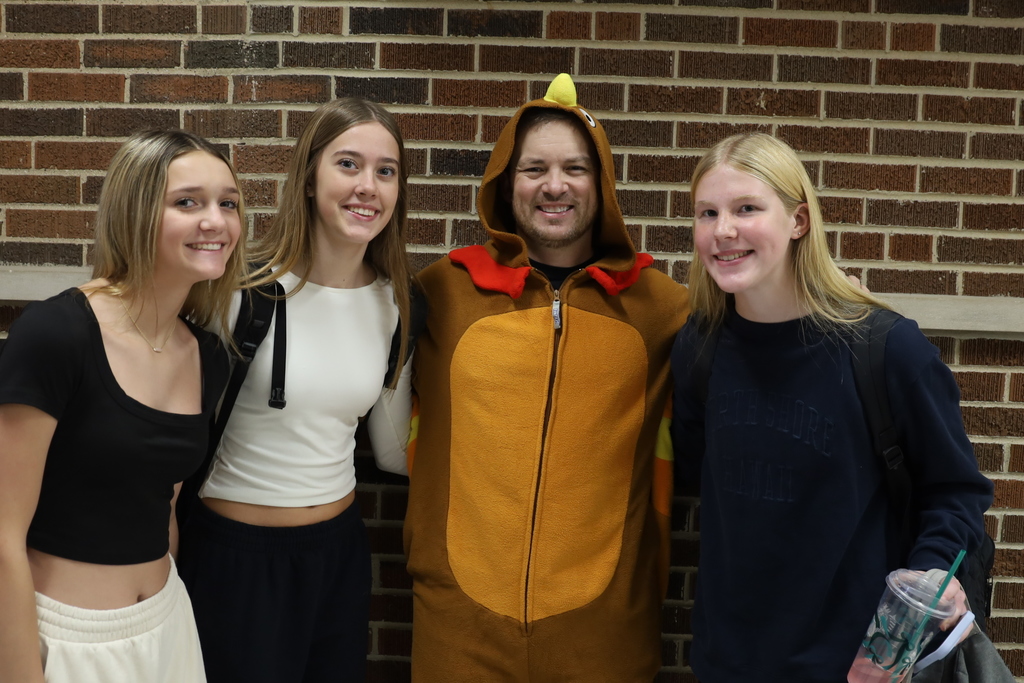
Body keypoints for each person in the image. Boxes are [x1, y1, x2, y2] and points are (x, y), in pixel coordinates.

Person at [670, 132, 994, 682]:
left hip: (855, 666)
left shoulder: (885, 348)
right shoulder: (700, 346)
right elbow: (697, 475)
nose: (722, 230)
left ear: (798, 222)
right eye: (707, 212)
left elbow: (956, 491)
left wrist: (924, 592)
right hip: (729, 664)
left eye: (746, 208)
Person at [400, 73, 690, 681]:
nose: (554, 186)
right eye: (534, 169)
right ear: (506, 184)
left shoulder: (665, 311)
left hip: (606, 636)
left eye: (575, 169)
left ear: (601, 182)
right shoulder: (438, 295)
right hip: (460, 631)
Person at [175, 97, 412, 683]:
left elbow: (391, 450)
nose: (368, 187)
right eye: (349, 165)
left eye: (386, 171)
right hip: (235, 561)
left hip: (338, 559)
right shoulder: (236, 293)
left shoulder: (396, 304)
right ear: (309, 177)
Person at [0, 129, 245, 683]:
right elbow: (1, 533)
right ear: (135, 212)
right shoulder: (57, 334)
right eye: (188, 202)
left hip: (166, 626)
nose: (216, 221)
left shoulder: (207, 356)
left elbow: (163, 506)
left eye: (228, 203)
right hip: (64, 641)